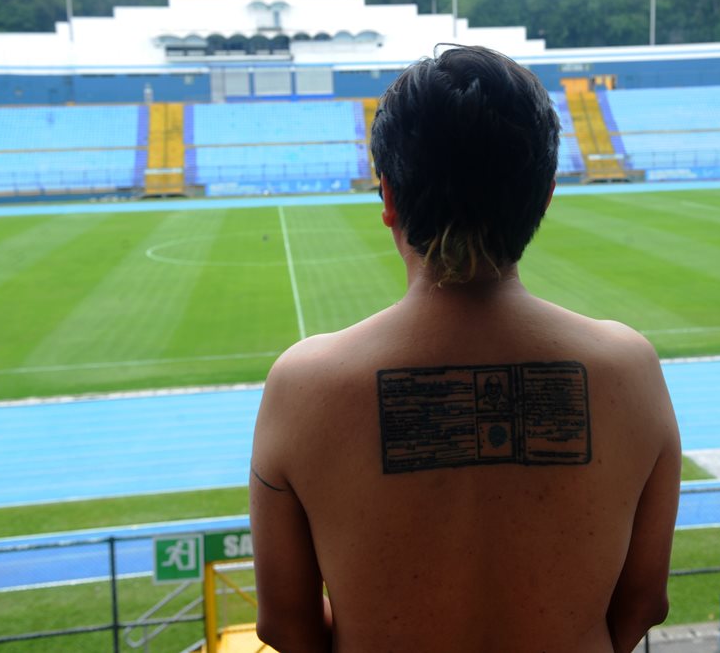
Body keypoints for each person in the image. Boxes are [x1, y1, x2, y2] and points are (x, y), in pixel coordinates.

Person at [249, 45, 681, 652]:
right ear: (546, 195)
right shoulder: (629, 368)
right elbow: (643, 603)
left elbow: (284, 625)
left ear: (389, 198)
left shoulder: (303, 385)